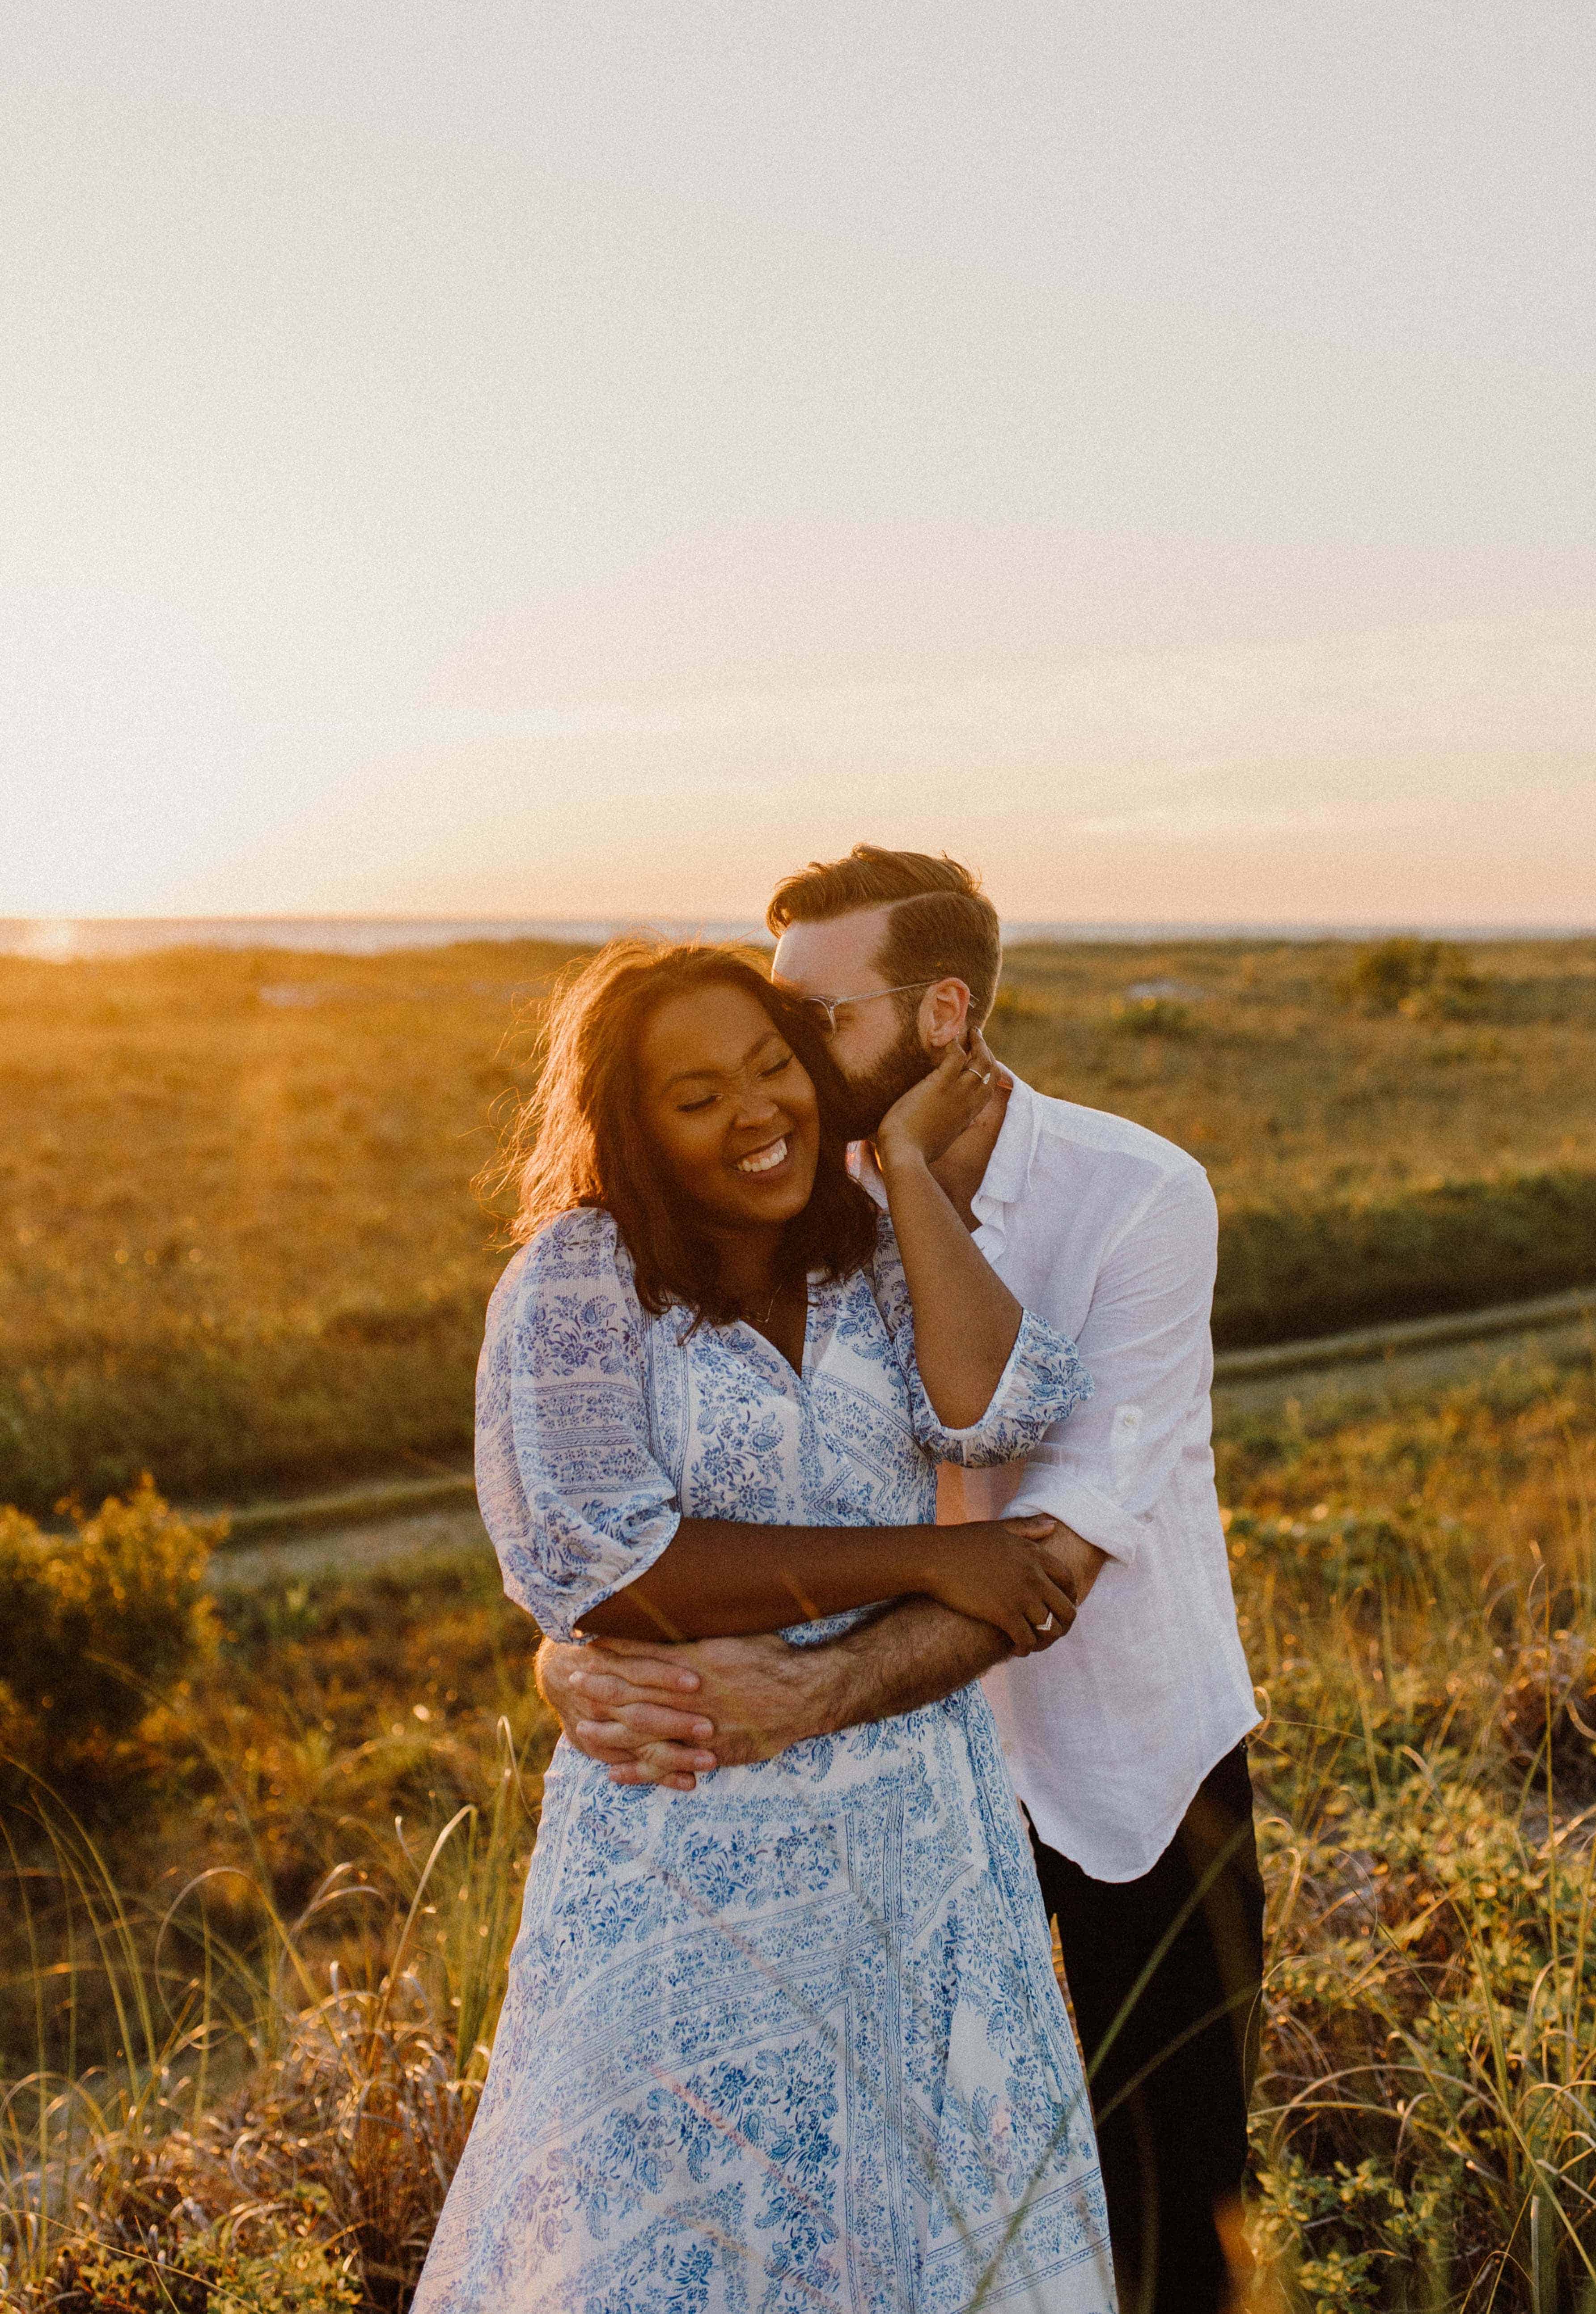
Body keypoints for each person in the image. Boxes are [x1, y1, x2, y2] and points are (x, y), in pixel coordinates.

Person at [539, 852, 1265, 2314]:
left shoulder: (1137, 1197)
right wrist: (575, 1648)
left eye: (819, 1016)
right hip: (887, 1796)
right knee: (914, 2209)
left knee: (1175, 2220)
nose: (786, 1055)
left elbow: (1048, 1559)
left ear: (945, 1013)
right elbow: (673, 1496)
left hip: (1135, 1769)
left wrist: (803, 1692)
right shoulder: (794, 1210)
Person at [412, 939, 1116, 2314]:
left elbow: (1004, 1410)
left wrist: (904, 1171)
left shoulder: (873, 1255)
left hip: (921, 1846)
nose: (754, 1113)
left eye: (770, 1066)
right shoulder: (579, 1277)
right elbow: (605, 1558)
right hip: (685, 1843)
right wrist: (936, 1555)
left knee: (940, 2230)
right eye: (695, 1096)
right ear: (632, 1127)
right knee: (667, 2239)